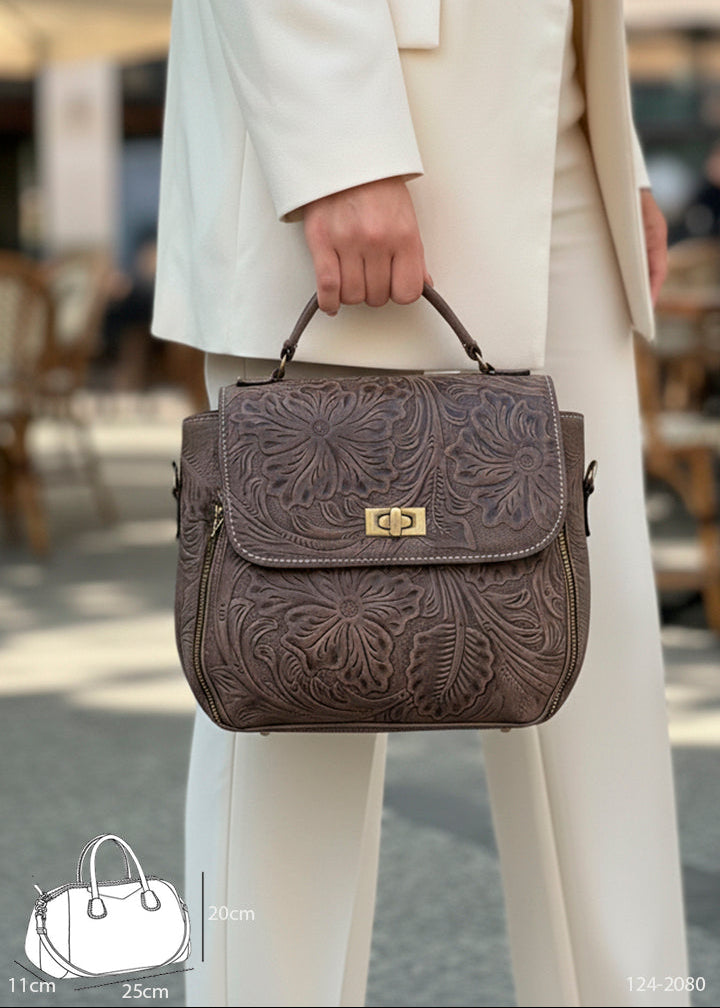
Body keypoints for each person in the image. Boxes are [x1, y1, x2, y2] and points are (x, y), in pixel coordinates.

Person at [151, 2, 690, 1005]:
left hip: (557, 115)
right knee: (293, 664)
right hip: (361, 111)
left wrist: (618, 151)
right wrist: (336, 144)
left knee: (598, 647)